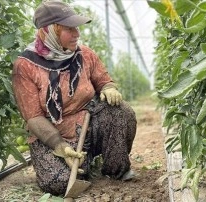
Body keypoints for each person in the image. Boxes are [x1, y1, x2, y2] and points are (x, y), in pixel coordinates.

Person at [11, 0, 137, 196]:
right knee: (58, 184)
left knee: (120, 111)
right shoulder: (25, 66)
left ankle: (114, 168)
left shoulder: (84, 54)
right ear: (50, 31)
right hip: (52, 134)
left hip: (89, 123)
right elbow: (33, 117)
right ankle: (82, 164)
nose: (77, 34)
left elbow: (104, 81)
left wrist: (109, 88)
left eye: (77, 28)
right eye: (70, 29)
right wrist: (59, 145)